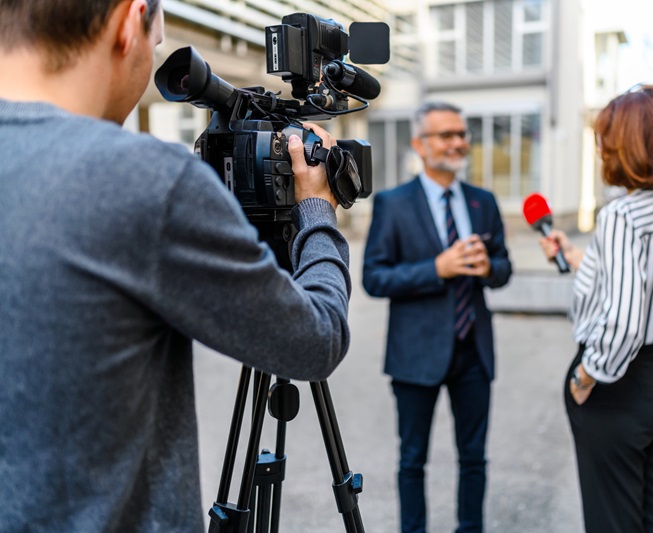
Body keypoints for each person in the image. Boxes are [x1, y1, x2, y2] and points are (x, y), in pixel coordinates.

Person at [0, 1, 352, 531]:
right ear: (128, 21)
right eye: (156, 41)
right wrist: (316, 208)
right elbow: (316, 339)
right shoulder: (140, 181)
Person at [539, 84, 653, 533]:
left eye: (607, 141)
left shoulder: (621, 216)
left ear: (628, 147)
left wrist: (585, 376)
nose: (601, 151)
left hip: (615, 389)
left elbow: (626, 321)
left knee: (612, 521)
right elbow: (642, 285)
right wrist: (578, 257)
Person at [362, 101, 512, 533]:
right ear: (420, 145)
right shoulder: (393, 204)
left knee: (474, 459)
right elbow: (373, 277)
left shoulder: (483, 202)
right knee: (412, 460)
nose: (458, 143)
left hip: (474, 352)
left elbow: (503, 269)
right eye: (446, 135)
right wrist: (436, 269)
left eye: (462, 134)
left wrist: (488, 268)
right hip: (415, 354)